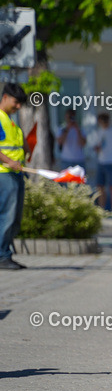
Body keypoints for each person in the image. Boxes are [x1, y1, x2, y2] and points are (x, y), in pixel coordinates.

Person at [0, 83, 28, 270]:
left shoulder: (10, 121)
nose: (18, 107)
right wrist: (9, 162)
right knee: (7, 217)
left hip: (15, 174)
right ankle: (2, 256)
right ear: (5, 98)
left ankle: (5, 253)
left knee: (14, 218)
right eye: (16, 102)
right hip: (4, 175)